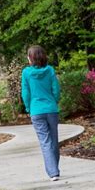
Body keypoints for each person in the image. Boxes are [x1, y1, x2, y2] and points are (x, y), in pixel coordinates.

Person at [21, 45, 61, 181]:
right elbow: (56, 88)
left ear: (31, 58)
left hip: (36, 110)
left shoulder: (26, 73)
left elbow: (25, 93)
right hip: (51, 109)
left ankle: (53, 172)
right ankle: (54, 169)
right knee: (54, 140)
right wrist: (54, 102)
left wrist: (28, 108)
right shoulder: (50, 70)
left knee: (45, 141)